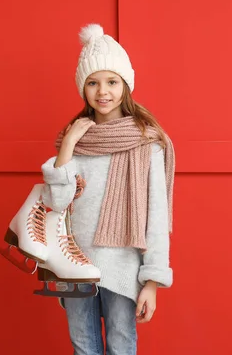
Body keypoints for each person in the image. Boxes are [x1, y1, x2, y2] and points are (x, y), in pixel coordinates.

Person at [40, 23, 175, 355]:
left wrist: (153, 281)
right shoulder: (73, 141)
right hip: (74, 263)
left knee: (121, 344)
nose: (103, 92)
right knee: (83, 347)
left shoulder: (146, 142)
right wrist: (69, 145)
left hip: (122, 267)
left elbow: (157, 216)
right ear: (82, 88)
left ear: (125, 85)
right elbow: (57, 203)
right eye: (93, 83)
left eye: (112, 82)